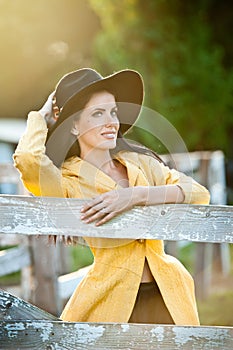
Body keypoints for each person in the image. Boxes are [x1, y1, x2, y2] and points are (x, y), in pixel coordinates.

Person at [13, 68, 210, 325]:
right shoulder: (66, 181)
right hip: (111, 297)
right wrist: (41, 116)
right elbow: (29, 160)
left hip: (169, 293)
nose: (111, 122)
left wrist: (135, 195)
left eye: (113, 112)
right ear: (73, 125)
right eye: (97, 113)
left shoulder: (141, 164)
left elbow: (198, 193)